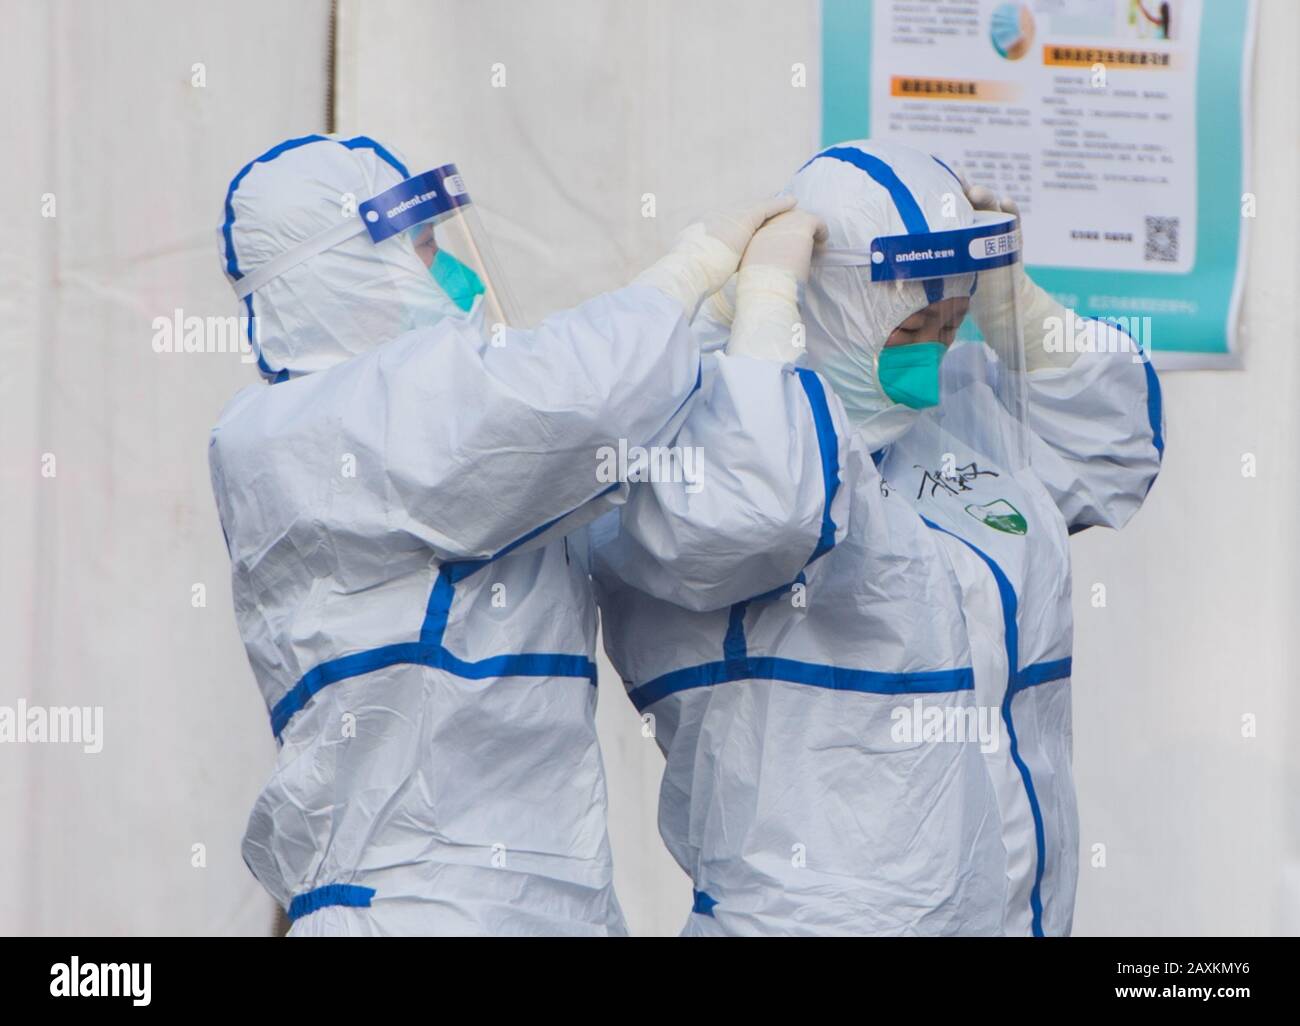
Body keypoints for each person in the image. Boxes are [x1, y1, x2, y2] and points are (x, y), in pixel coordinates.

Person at [208, 132, 800, 935]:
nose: (450, 271)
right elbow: (573, 404)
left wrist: (714, 326)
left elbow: (603, 435)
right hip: (417, 901)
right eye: (421, 250)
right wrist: (688, 275)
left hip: (536, 891)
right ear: (338, 276)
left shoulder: (427, 424)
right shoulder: (304, 426)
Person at [592, 139, 1165, 936]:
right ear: (819, 301)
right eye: (908, 328)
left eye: (952, 322)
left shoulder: (955, 422)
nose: (932, 355)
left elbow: (1115, 449)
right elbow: (750, 516)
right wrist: (753, 309)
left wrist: (1016, 315)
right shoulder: (707, 435)